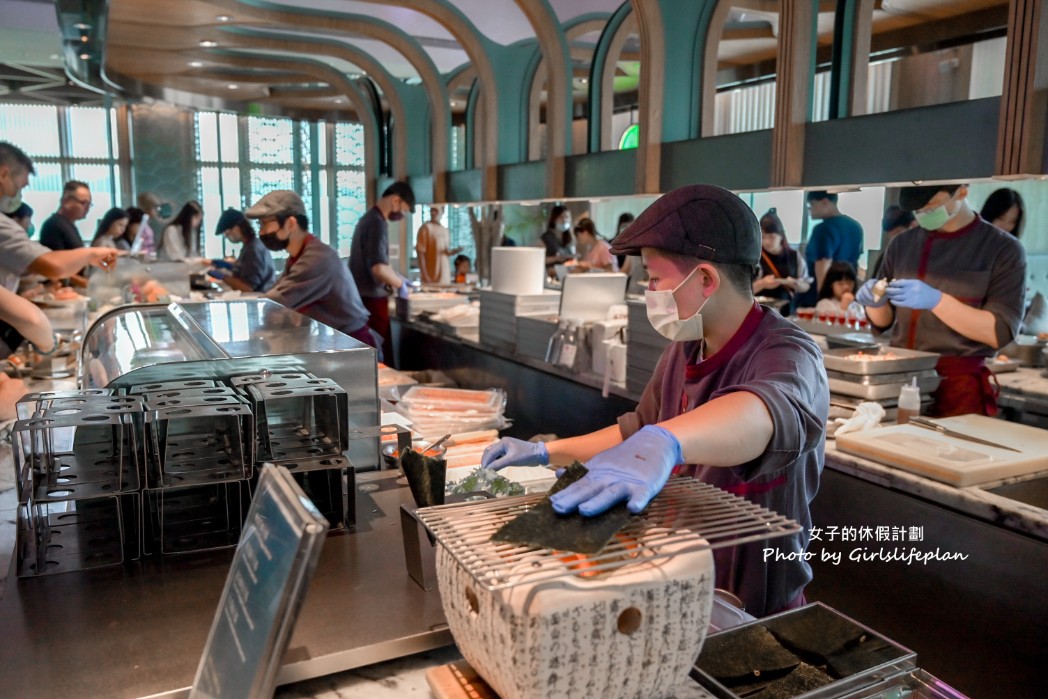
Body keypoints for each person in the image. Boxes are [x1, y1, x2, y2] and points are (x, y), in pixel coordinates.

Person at [482, 184, 829, 617]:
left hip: (752, 608)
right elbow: (634, 434)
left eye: (654, 276)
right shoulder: (685, 347)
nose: (648, 290)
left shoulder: (788, 354)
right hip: (676, 588)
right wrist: (544, 451)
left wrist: (667, 441)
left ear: (705, 279)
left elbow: (762, 414)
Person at [856, 184, 1026, 417]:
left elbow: (998, 331)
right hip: (899, 379)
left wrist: (937, 301)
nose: (924, 214)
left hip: (958, 387)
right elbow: (884, 322)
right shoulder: (902, 244)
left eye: (932, 207)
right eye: (918, 210)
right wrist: (875, 303)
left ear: (962, 192)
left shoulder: (1003, 249)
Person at [246, 190, 379, 352]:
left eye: (265, 224)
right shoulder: (298, 256)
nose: (262, 232)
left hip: (353, 344)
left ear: (290, 224)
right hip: (335, 342)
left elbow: (274, 302)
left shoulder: (317, 258)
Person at [0, 142, 120, 295]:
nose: (18, 195)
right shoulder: (53, 225)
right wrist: (92, 254)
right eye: (19, 187)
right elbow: (52, 264)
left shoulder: (70, 225)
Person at [349, 181, 416, 364]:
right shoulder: (377, 222)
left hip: (362, 298)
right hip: (372, 301)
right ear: (395, 200)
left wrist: (397, 276)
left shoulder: (368, 218)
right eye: (403, 210)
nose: (402, 215)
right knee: (379, 360)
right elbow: (378, 267)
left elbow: (379, 262)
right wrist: (400, 284)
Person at [798, 190, 864, 307]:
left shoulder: (823, 229)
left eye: (812, 205)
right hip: (846, 293)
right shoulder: (856, 226)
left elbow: (823, 265)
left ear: (824, 202)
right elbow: (856, 264)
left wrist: (822, 298)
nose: (810, 210)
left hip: (822, 295)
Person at [752, 208, 810, 313]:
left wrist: (795, 283)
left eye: (771, 237)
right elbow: (742, 291)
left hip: (787, 312)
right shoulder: (754, 256)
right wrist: (763, 283)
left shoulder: (794, 256)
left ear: (781, 236)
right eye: (763, 237)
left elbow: (806, 285)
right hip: (759, 311)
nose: (766, 241)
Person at [209, 207, 275, 292]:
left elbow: (247, 288)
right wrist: (229, 266)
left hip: (259, 300)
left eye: (227, 233)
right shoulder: (249, 245)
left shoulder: (253, 249)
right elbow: (246, 269)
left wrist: (223, 276)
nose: (227, 237)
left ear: (238, 227)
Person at [415, 205, 461, 285]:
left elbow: (446, 251)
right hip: (431, 276)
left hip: (444, 276)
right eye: (431, 210)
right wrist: (425, 275)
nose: (433, 213)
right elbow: (420, 253)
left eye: (435, 210)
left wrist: (455, 251)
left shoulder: (445, 230)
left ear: (442, 211)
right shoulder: (426, 228)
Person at [40, 180, 91, 252]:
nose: (87, 208)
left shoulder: (69, 224)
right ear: (66, 201)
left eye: (89, 204)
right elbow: (56, 259)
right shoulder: (53, 225)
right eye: (83, 203)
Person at [869, 205, 917, 280]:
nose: (895, 243)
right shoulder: (887, 256)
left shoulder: (930, 252)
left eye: (898, 236)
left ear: (913, 226)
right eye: (891, 238)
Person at [540, 205, 573, 277]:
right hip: (550, 275)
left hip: (566, 275)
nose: (564, 220)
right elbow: (539, 259)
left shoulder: (568, 237)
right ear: (554, 219)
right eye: (561, 217)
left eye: (567, 217)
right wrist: (556, 258)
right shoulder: (547, 237)